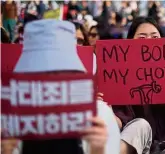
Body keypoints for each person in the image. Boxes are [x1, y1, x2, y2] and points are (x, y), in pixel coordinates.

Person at [1, 19, 120, 154]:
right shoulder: (9, 119)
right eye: (41, 73)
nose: (51, 80)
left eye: (59, 72)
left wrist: (97, 150)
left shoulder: (99, 115)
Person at [112, 17, 165, 154]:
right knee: (141, 125)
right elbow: (120, 121)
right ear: (129, 43)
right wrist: (104, 111)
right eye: (142, 38)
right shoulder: (118, 76)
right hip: (135, 146)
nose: (149, 42)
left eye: (154, 37)